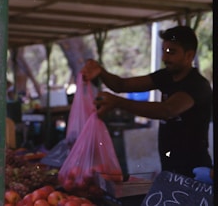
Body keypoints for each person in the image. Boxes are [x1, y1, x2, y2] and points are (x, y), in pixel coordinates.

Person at [81, 25, 212, 178]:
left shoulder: (197, 85)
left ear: (189, 55)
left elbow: (167, 110)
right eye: (164, 51)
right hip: (169, 164)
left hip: (195, 169)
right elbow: (121, 85)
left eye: (171, 52)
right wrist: (101, 71)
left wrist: (119, 103)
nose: (164, 58)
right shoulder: (165, 76)